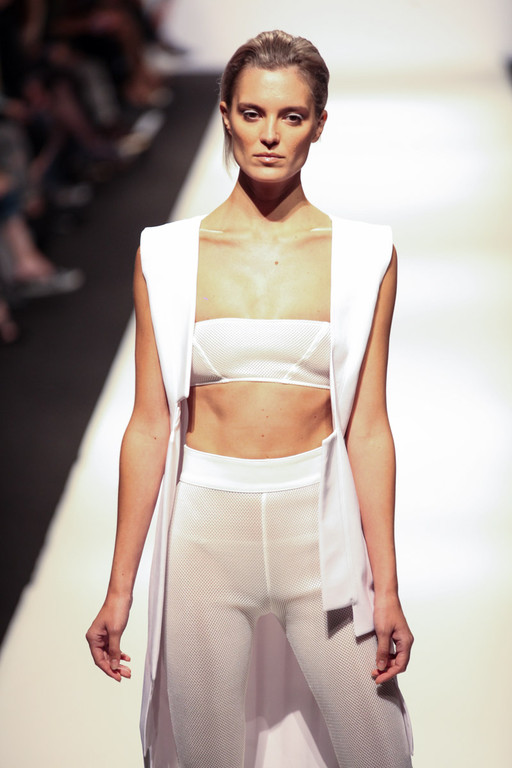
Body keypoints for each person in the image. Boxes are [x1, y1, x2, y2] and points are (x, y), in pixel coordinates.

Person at [86, 30, 414, 768]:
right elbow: (149, 425)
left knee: (380, 752)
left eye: (291, 116)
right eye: (253, 113)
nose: (269, 135)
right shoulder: (166, 253)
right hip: (204, 536)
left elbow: (368, 428)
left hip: (322, 539)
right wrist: (119, 589)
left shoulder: (366, 255)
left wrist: (388, 587)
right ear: (226, 115)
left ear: (319, 124)